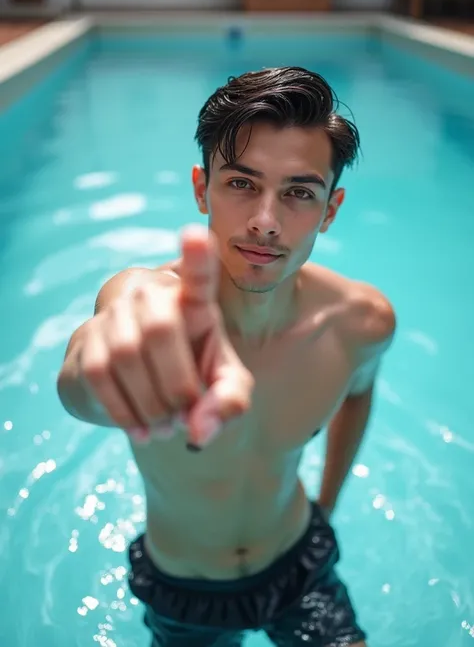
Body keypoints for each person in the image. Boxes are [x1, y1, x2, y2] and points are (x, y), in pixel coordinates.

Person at [57, 66, 396, 647]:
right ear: (200, 188)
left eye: (298, 192)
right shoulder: (151, 301)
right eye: (241, 183)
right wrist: (106, 361)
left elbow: (359, 394)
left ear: (330, 209)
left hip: (300, 564)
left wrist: (328, 504)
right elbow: (94, 361)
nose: (265, 221)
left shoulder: (359, 323)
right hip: (185, 587)